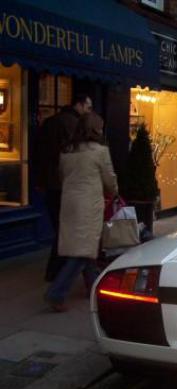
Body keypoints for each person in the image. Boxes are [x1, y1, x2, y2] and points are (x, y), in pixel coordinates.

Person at [45, 112, 117, 312]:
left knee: (84, 248)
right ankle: (56, 293)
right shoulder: (100, 151)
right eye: (100, 127)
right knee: (82, 252)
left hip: (69, 203)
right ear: (95, 129)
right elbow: (109, 179)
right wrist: (114, 191)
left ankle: (93, 287)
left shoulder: (66, 151)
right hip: (88, 205)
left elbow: (62, 176)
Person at [34, 94, 93, 282]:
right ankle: (61, 277)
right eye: (88, 107)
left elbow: (39, 153)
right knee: (71, 232)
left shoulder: (51, 122)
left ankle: (59, 274)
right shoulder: (74, 125)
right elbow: (75, 157)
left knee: (63, 230)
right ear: (79, 104)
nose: (89, 111)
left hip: (50, 184)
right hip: (65, 185)